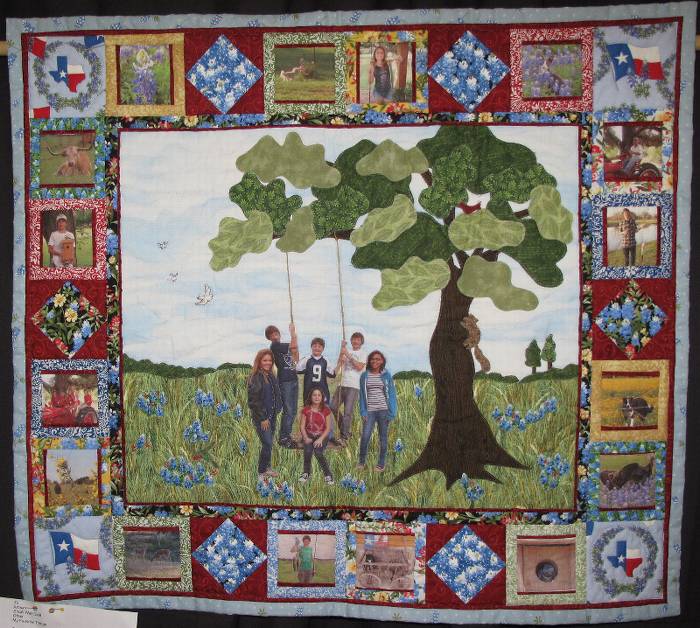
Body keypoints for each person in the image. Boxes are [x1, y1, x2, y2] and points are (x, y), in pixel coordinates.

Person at [358, 350, 398, 472]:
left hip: (383, 411)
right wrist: (363, 412)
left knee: (383, 438)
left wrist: (392, 413)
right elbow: (362, 395)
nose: (375, 361)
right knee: (365, 437)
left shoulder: (387, 375)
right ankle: (361, 462)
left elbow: (392, 394)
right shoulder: (364, 376)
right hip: (370, 411)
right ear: (369, 361)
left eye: (378, 359)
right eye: (372, 359)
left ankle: (381, 464)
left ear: (382, 361)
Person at [247, 349, 283, 481]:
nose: (268, 363)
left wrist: (278, 408)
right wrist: (263, 418)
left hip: (271, 416)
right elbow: (254, 401)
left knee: (269, 443)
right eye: (265, 360)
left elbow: (275, 394)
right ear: (259, 361)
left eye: (270, 360)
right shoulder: (256, 377)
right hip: (262, 418)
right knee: (267, 443)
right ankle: (261, 473)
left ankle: (267, 468)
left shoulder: (271, 375)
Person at [265, 322, 299, 448]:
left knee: (293, 410)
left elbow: (295, 358)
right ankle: (283, 438)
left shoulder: (283, 346)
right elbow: (293, 345)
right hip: (285, 381)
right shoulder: (274, 346)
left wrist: (295, 350)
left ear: (279, 334)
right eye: (271, 335)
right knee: (288, 410)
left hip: (294, 379)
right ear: (269, 338)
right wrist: (293, 333)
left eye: (276, 333)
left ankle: (287, 435)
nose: (274, 336)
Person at [330, 332, 367, 446]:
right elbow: (339, 363)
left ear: (361, 342)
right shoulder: (346, 350)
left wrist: (348, 354)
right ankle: (346, 430)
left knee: (347, 412)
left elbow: (359, 367)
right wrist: (342, 350)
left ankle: (344, 437)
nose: (355, 341)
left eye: (358, 340)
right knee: (333, 406)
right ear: (351, 341)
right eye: (354, 339)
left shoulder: (363, 353)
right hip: (342, 384)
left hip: (354, 386)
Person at [298, 387, 334, 485]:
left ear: (322, 397)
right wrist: (305, 437)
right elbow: (302, 426)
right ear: (311, 397)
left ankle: (328, 474)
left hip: (322, 436)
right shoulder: (306, 410)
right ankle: (306, 473)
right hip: (309, 435)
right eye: (314, 395)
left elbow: (328, 428)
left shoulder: (326, 410)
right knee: (308, 451)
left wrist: (321, 439)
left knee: (318, 452)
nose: (317, 397)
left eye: (319, 395)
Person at [296, 337, 339, 405]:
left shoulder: (325, 360)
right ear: (311, 347)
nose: (317, 348)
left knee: (323, 408)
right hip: (309, 390)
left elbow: (333, 374)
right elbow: (297, 369)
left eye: (319, 346)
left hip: (323, 390)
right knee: (309, 409)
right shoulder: (306, 359)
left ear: (323, 349)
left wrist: (340, 363)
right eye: (315, 346)